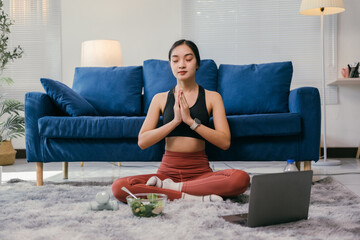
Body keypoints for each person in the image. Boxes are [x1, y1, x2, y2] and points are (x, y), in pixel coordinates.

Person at [112, 39, 250, 202]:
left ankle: (172, 190)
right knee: (119, 187)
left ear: (197, 64)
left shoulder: (213, 98)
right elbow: (142, 141)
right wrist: (175, 121)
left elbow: (225, 141)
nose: (181, 65)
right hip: (166, 174)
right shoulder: (160, 99)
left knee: (240, 179)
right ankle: (192, 196)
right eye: (175, 60)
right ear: (170, 65)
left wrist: (191, 122)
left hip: (200, 174)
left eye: (188, 59)